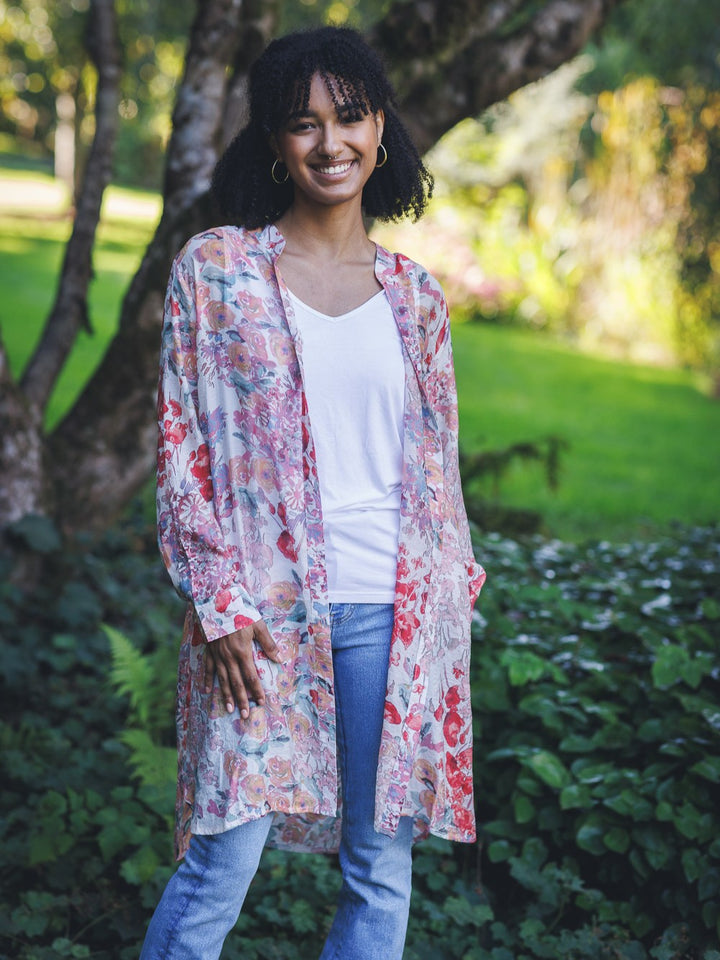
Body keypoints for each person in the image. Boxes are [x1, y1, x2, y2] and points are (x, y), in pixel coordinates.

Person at [142, 24, 485, 960]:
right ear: (273, 143)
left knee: (380, 870)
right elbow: (181, 454)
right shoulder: (215, 271)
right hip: (260, 613)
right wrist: (217, 602)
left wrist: (455, 581)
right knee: (221, 864)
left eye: (350, 117)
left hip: (394, 608)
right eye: (303, 125)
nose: (330, 143)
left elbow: (437, 466)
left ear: (381, 130)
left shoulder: (415, 296)